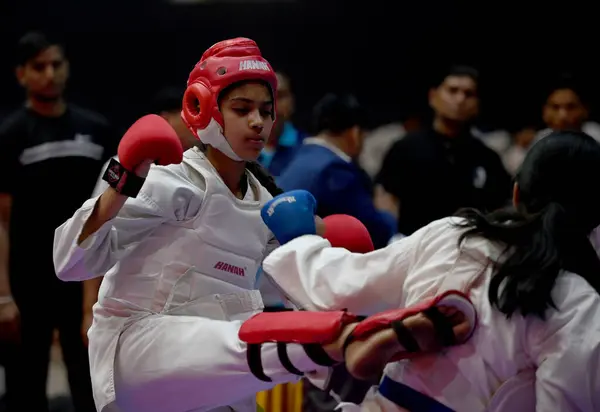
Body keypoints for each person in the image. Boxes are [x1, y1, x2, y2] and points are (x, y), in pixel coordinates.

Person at [52, 38, 475, 412]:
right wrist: (121, 181)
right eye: (242, 109)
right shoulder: (176, 180)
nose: (257, 121)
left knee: (286, 335)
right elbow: (68, 265)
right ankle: (344, 347)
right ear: (202, 108)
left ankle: (376, 382)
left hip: (215, 374)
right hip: (138, 355)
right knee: (244, 339)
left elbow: (301, 294)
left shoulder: (269, 205)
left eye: (265, 111)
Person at [260, 129, 600, 411]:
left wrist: (300, 239)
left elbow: (337, 288)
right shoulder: (579, 304)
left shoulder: (457, 234)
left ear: (516, 192)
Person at [0, 31, 115, 412]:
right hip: (27, 280)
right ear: (21, 75)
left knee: (89, 382)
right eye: (39, 67)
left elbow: (112, 210)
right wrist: (3, 295)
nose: (49, 74)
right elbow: (0, 220)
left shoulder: (96, 130)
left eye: (56, 64)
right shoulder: (10, 135)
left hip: (83, 274)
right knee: (25, 384)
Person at [80, 87, 198, 343]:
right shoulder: (123, 164)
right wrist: (89, 308)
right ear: (165, 119)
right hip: (126, 299)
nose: (196, 126)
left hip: (184, 305)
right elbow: (94, 233)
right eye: (188, 117)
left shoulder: (202, 171)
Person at [376, 65, 512, 236]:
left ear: (477, 104)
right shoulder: (406, 148)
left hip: (470, 249)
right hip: (414, 248)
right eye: (452, 91)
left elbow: (500, 207)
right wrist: (392, 239)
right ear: (433, 96)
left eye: (468, 94)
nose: (460, 99)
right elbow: (387, 199)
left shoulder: (487, 158)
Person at [277, 93, 397, 249]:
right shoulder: (336, 172)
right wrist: (388, 214)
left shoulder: (296, 157)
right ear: (354, 133)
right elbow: (374, 233)